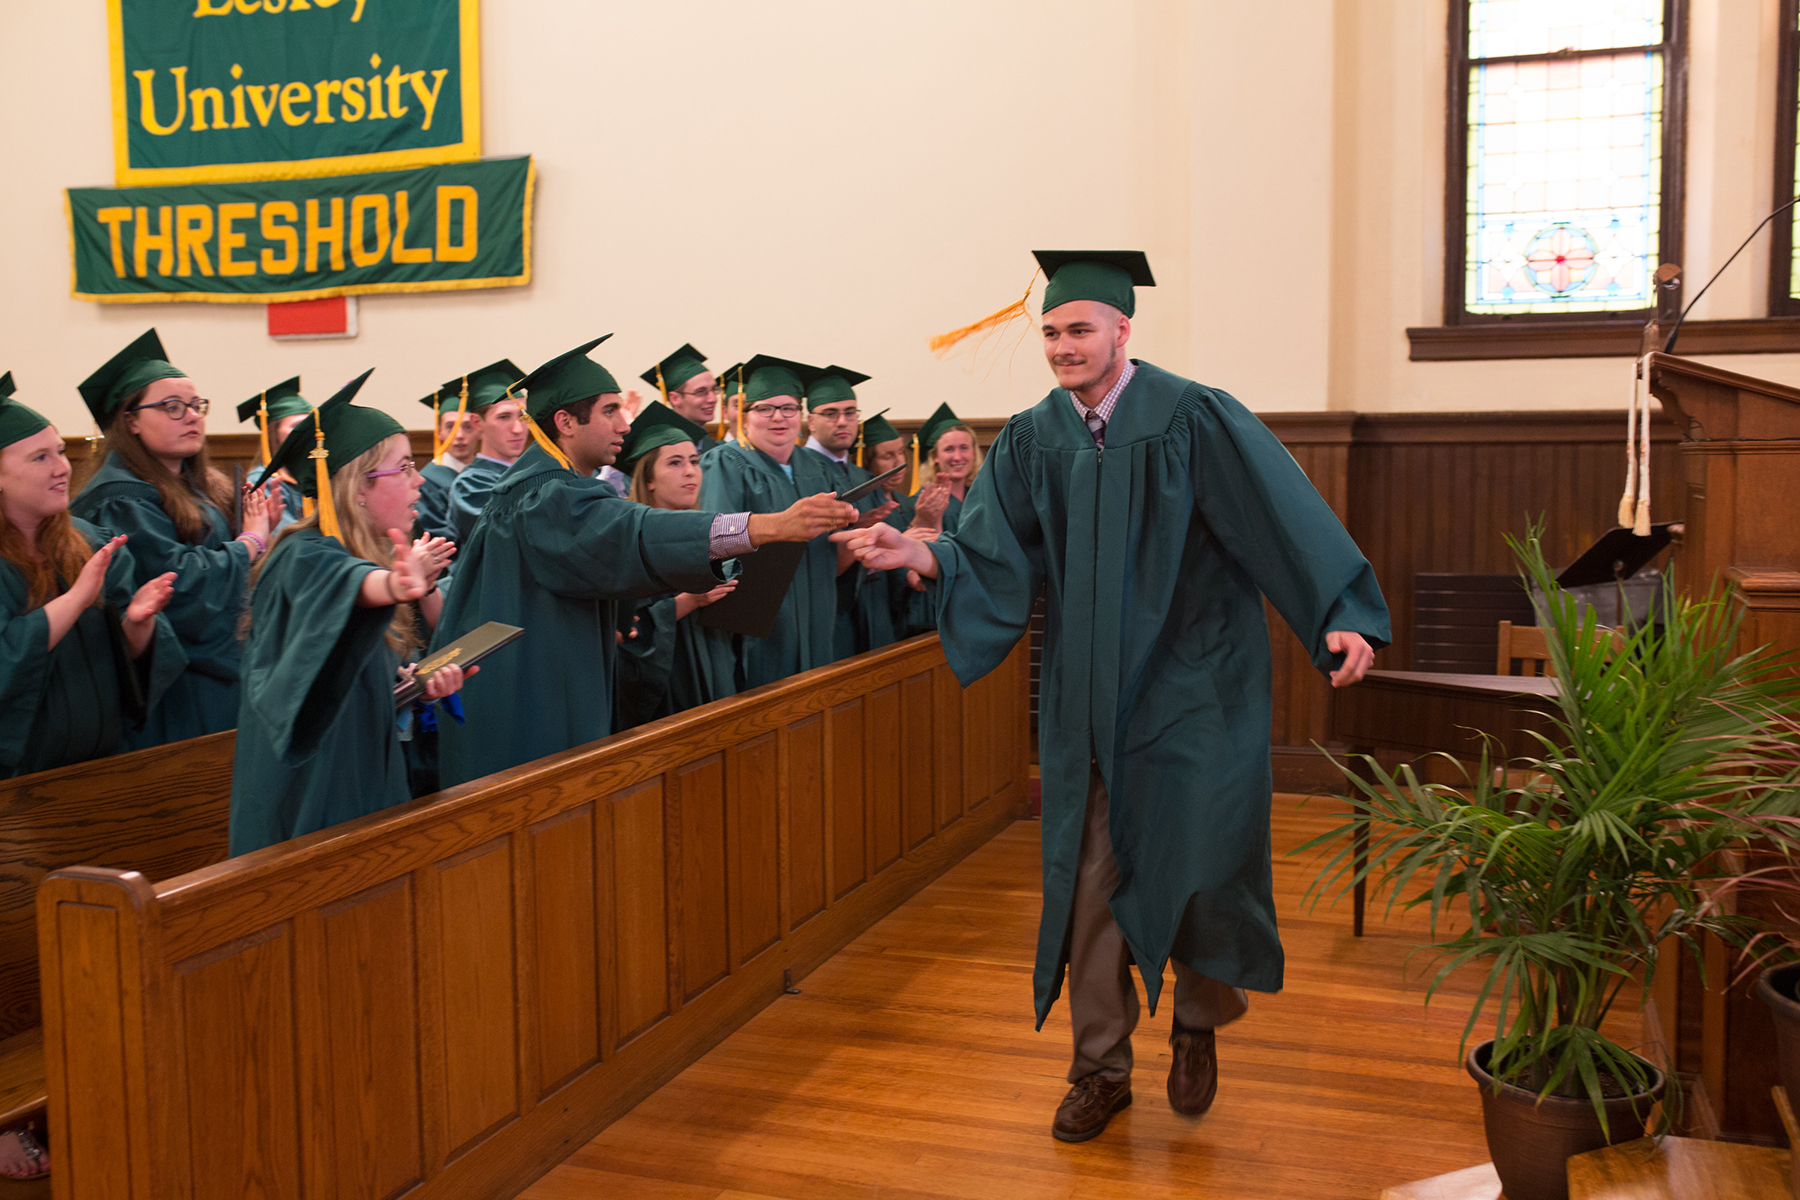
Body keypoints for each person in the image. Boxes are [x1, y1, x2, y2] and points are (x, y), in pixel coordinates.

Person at [837, 250, 1389, 1143]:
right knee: (1090, 882)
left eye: (1079, 329)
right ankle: (1099, 1067)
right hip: (1089, 703)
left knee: (1203, 864)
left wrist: (1340, 610)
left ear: (1122, 330)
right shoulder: (1029, 439)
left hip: (1197, 687)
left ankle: (1199, 1021)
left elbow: (1281, 516)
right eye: (1052, 332)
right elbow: (992, 550)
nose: (1064, 346)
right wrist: (920, 553)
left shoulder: (1194, 417)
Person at [429, 338, 855, 787]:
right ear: (565, 422)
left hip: (544, 681)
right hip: (527, 696)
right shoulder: (543, 494)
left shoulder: (548, 485)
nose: (624, 424)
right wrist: (770, 527)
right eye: (610, 411)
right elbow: (637, 532)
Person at [229, 371, 467, 856]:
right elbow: (347, 584)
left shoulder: (365, 554)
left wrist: (414, 688)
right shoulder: (300, 554)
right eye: (404, 469)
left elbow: (342, 670)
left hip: (365, 778)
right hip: (307, 794)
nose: (419, 481)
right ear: (358, 487)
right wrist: (395, 584)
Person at [71, 329, 275, 748]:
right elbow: (178, 588)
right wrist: (250, 543)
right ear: (130, 421)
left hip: (220, 678)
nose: (193, 416)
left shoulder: (195, 486)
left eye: (196, 405)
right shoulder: (118, 499)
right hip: (176, 692)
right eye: (172, 407)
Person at [0, 374, 183, 780]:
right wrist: (76, 599)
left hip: (106, 766)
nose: (62, 468)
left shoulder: (89, 540)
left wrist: (137, 625)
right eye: (39, 458)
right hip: (19, 784)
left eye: (61, 451)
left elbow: (131, 663)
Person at [698, 356, 865, 686]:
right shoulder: (725, 464)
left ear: (800, 416)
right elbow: (714, 541)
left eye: (788, 408)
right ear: (746, 416)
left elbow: (835, 558)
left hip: (819, 618)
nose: (778, 417)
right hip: (759, 626)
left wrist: (857, 541)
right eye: (764, 408)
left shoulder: (820, 468)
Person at [613, 401, 740, 727]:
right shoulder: (629, 539)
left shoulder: (709, 530)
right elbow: (627, 633)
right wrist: (688, 601)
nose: (690, 471)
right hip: (667, 682)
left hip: (715, 663)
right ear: (649, 478)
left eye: (694, 462)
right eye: (674, 463)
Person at [803, 367, 900, 656]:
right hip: (824, 612)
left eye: (850, 412)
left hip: (868, 607)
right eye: (831, 413)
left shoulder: (860, 475)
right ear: (810, 421)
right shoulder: (802, 471)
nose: (843, 421)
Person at [416, 359, 517, 544]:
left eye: (467, 427)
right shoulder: (429, 481)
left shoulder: (495, 472)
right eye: (451, 427)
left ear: (478, 428)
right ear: (439, 432)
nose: (460, 435)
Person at [446, 375, 531, 541]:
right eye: (504, 417)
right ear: (477, 422)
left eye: (523, 416)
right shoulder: (471, 485)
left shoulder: (532, 472)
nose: (518, 429)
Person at [236, 377, 313, 528]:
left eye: (311, 424)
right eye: (297, 425)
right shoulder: (263, 480)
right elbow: (285, 536)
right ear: (273, 433)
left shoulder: (310, 473)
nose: (307, 432)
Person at [641, 343, 725, 453]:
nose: (712, 399)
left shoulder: (716, 450)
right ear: (675, 399)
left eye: (714, 389)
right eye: (700, 392)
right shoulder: (657, 448)